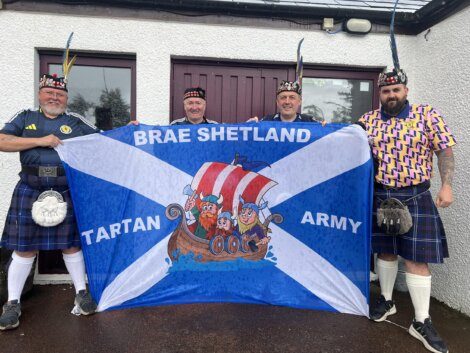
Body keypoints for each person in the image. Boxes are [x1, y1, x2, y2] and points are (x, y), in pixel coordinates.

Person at [359, 68, 456, 353]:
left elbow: (445, 151)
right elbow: (345, 144)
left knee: (417, 259)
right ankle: (387, 300)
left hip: (415, 196)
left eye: (396, 90)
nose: (391, 95)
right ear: (380, 94)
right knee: (385, 251)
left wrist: (447, 185)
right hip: (380, 195)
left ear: (406, 91)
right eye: (386, 91)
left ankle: (421, 320)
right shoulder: (367, 121)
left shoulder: (427, 115)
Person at [0, 68, 104, 330]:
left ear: (66, 98)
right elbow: (2, 141)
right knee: (24, 248)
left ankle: (81, 293)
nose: (55, 97)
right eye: (50, 92)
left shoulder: (75, 121)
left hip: (65, 188)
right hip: (31, 188)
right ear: (40, 94)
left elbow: (104, 140)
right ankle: (12, 302)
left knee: (71, 244)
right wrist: (40, 141)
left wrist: (131, 129)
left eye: (60, 94)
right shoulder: (25, 117)